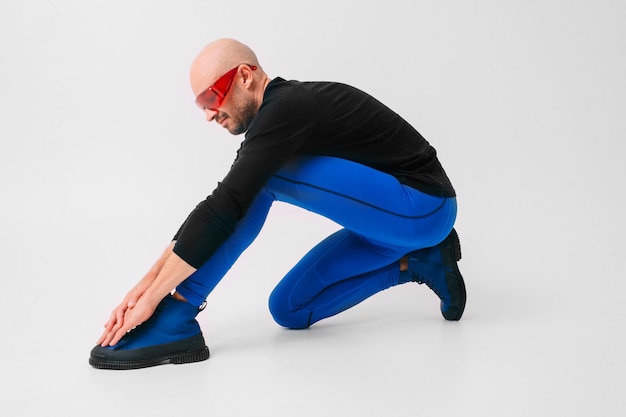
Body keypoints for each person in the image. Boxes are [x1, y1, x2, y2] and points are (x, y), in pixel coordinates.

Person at [89, 38, 466, 370]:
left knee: (258, 182)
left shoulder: (289, 106)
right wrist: (143, 288)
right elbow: (220, 203)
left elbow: (227, 202)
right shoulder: (275, 122)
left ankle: (179, 315)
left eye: (211, 98)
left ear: (245, 76)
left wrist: (157, 299)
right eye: (200, 105)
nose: (208, 114)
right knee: (288, 309)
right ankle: (418, 263)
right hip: (387, 230)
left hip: (424, 206)